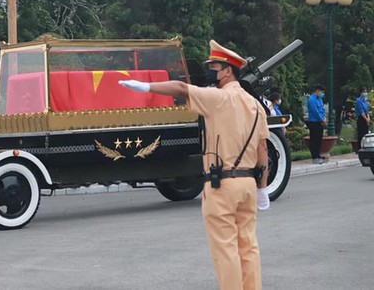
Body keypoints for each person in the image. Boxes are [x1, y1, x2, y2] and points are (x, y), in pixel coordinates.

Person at [120, 40, 269, 290]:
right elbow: (263, 149)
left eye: (215, 66)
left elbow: (180, 88)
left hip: (222, 185)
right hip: (247, 185)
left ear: (228, 70)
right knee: (248, 246)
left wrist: (146, 86)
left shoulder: (218, 98)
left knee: (226, 250)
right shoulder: (256, 106)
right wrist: (263, 188)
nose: (211, 71)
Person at [306, 84, 327, 164]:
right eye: (321, 92)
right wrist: (321, 119)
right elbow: (315, 112)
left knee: (319, 140)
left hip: (320, 122)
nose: (322, 93)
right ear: (317, 91)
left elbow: (322, 109)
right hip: (314, 122)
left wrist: (324, 117)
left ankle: (318, 155)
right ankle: (314, 157)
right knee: (314, 140)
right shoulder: (312, 100)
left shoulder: (319, 99)